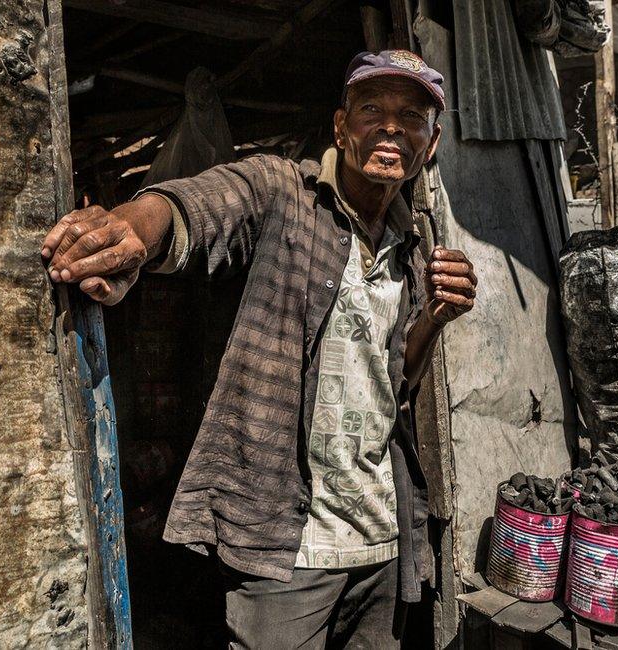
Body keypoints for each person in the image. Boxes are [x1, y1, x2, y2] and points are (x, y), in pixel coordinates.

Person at [41, 50, 477, 648]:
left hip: (381, 536)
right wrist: (135, 230)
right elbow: (203, 203)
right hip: (286, 545)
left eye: (413, 115)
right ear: (341, 127)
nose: (391, 126)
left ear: (430, 145)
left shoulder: (412, 246)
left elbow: (394, 381)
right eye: (372, 108)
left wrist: (434, 318)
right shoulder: (284, 192)